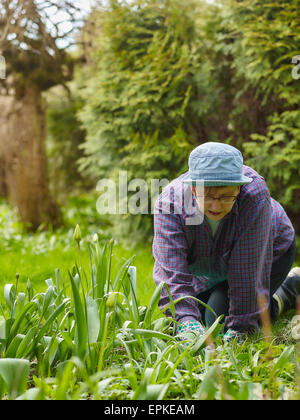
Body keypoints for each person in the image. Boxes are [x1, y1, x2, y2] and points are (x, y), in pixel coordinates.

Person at [152, 142, 299, 342]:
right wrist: (187, 323)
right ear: (194, 189)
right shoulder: (169, 205)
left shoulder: (254, 198)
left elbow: (248, 273)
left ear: (238, 189)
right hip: (213, 264)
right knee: (200, 320)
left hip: (270, 252)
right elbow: (172, 274)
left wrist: (240, 329)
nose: (215, 205)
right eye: (209, 196)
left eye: (225, 196)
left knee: (219, 319)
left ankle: (288, 288)